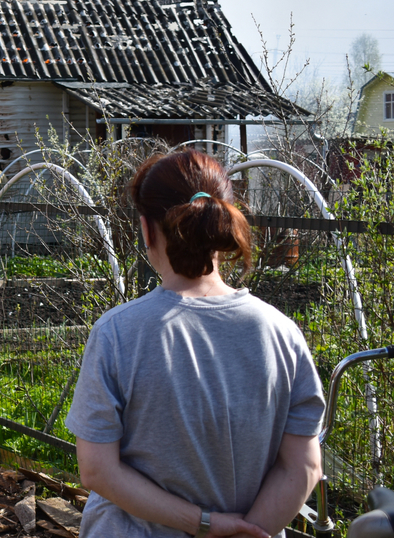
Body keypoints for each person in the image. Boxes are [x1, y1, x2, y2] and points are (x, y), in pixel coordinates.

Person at [66, 149, 325, 538]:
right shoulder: (281, 332)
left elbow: (97, 469)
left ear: (147, 229)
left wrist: (205, 525)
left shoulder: (117, 333)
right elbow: (303, 467)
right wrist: (246, 531)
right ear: (223, 221)